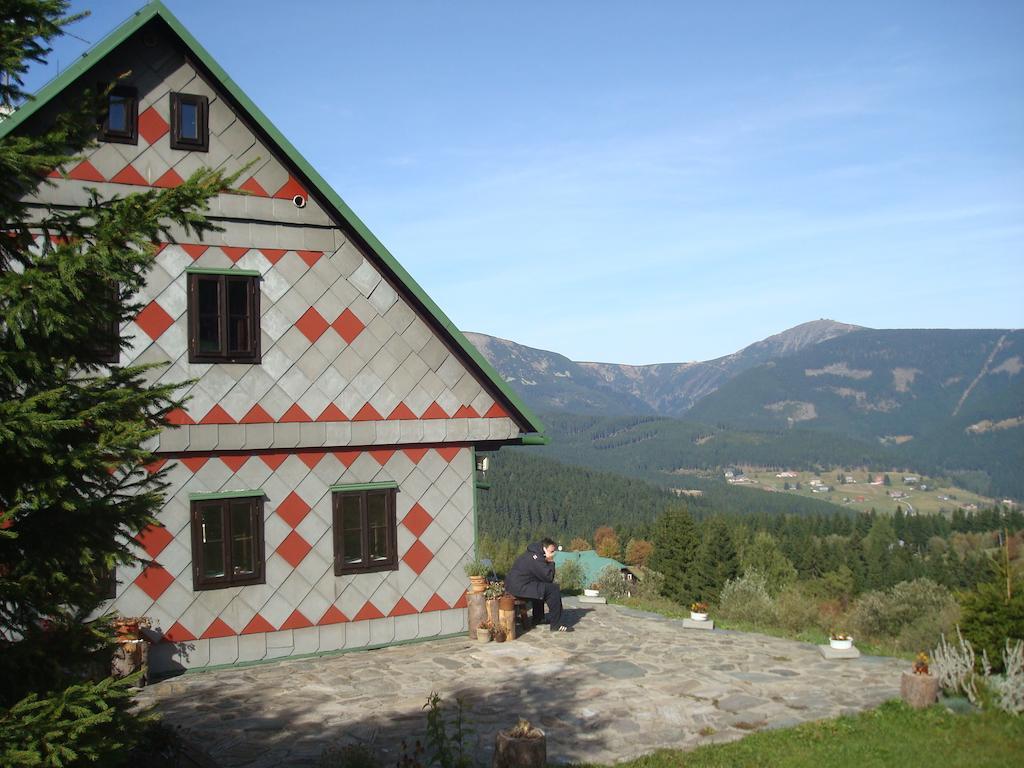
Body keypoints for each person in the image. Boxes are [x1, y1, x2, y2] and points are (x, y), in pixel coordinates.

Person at [505, 537, 572, 633]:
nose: (553, 554)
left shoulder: (533, 554)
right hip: (518, 588)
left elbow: (542, 577)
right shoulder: (536, 557)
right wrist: (551, 562)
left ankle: (538, 618)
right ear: (544, 549)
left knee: (540, 586)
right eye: (551, 551)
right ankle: (557, 624)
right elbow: (549, 577)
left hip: (514, 585)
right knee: (553, 589)